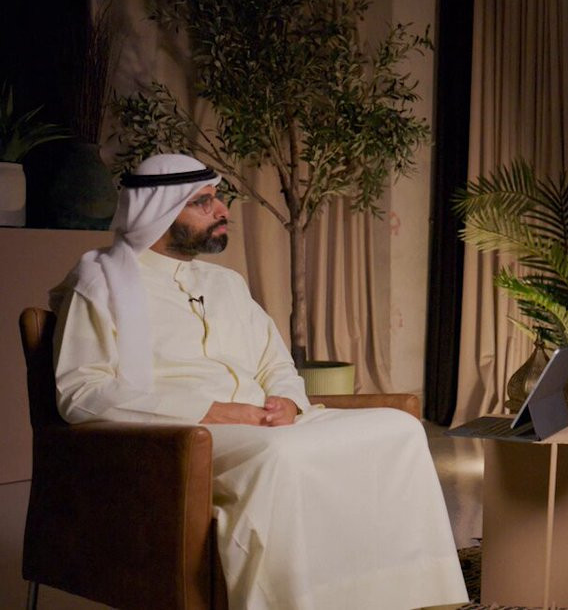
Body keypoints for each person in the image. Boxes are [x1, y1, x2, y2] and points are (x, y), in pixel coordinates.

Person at [51, 154, 468, 610]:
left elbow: (276, 363)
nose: (222, 210)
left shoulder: (226, 283)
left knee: (401, 429)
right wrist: (215, 412)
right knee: (280, 455)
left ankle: (408, 599)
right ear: (160, 211)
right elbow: (81, 393)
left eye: (218, 198)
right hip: (183, 435)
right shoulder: (99, 283)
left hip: (265, 423)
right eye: (203, 202)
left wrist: (287, 401)